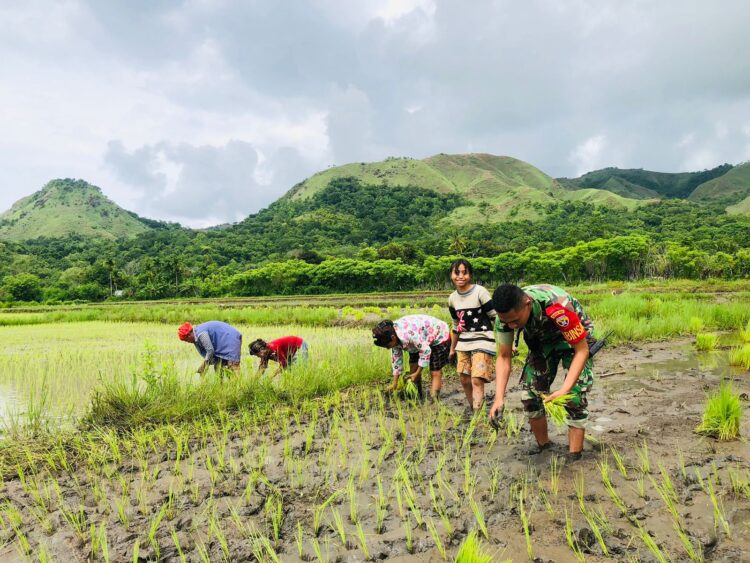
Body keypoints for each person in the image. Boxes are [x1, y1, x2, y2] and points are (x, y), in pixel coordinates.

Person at [488, 283, 594, 461]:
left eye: (515, 321)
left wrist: (564, 389)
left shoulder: (557, 307)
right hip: (542, 339)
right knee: (530, 395)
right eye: (507, 322)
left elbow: (581, 350)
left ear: (527, 303)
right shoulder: (505, 317)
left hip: (575, 339)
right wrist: (499, 397)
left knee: (574, 398)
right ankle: (545, 449)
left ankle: (574, 457)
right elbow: (504, 357)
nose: (512, 326)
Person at [447, 259, 497, 414]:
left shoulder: (480, 292)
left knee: (476, 379)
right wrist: (452, 349)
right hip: (463, 342)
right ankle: (473, 408)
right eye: (457, 272)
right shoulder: (452, 299)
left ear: (470, 275)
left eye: (464, 272)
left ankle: (477, 412)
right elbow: (456, 326)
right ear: (451, 275)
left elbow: (496, 318)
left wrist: (509, 343)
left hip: (483, 339)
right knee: (464, 378)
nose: (460, 276)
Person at [372, 315, 451, 402]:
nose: (388, 348)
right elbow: (397, 359)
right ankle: (417, 395)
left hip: (439, 334)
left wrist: (418, 372)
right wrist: (394, 383)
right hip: (420, 337)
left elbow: (425, 351)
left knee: (435, 371)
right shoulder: (392, 334)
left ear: (393, 338)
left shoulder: (408, 335)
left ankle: (434, 401)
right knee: (413, 367)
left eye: (387, 345)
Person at [178, 321, 242, 376]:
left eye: (186, 340)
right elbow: (210, 356)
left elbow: (210, 350)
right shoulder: (196, 336)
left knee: (233, 365)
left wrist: (204, 365)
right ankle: (221, 387)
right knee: (218, 366)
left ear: (189, 335)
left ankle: (238, 387)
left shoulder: (201, 334)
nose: (188, 342)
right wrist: (205, 366)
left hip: (230, 339)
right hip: (222, 342)